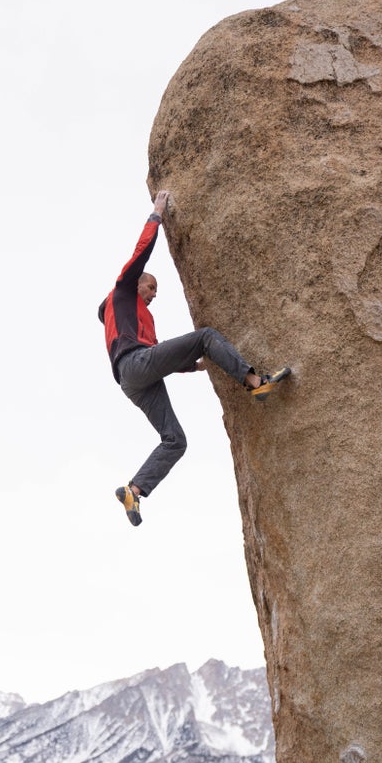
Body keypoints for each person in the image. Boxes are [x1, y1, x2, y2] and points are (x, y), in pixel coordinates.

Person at [98, 189, 290, 527]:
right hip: (135, 365)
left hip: (134, 380)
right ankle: (256, 383)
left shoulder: (131, 317)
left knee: (175, 440)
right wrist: (157, 212)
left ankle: (135, 490)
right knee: (205, 336)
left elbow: (162, 356)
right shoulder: (123, 291)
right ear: (138, 284)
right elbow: (140, 253)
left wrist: (194, 366)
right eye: (151, 287)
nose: (154, 294)